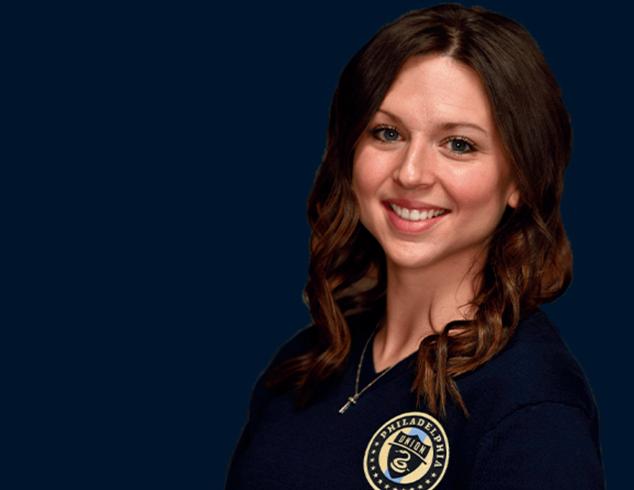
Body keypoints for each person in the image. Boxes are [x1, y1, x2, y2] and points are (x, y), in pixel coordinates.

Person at [225, 4, 605, 489]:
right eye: (388, 133)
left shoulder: (531, 404)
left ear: (521, 179)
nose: (410, 173)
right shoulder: (303, 366)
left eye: (459, 144)